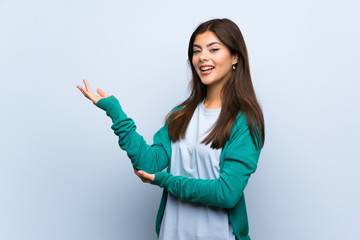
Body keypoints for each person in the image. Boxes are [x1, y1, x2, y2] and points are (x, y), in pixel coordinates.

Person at [77, 18, 265, 240]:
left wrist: (165, 180)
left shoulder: (245, 121)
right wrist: (116, 113)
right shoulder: (181, 115)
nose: (203, 57)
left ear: (235, 57)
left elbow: (226, 193)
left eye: (213, 49)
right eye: (197, 51)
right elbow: (148, 164)